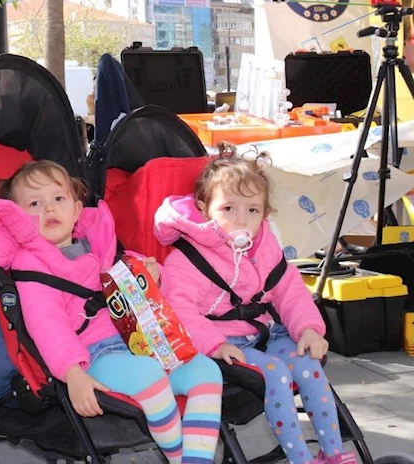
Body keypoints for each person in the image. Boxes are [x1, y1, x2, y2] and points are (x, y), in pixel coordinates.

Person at [0, 161, 223, 464]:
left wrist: (153, 274)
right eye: (34, 203)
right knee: (150, 375)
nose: (49, 209)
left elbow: (136, 274)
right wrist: (72, 373)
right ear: (17, 219)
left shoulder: (100, 243)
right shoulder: (32, 267)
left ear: (76, 209)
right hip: (92, 356)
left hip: (142, 341)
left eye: (57, 199)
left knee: (206, 372)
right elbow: (48, 326)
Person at [153, 146, 358, 464]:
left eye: (252, 210)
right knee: (275, 374)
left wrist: (308, 328)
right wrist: (214, 344)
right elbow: (178, 309)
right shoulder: (187, 259)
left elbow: (289, 290)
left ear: (265, 213)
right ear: (205, 209)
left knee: (308, 367)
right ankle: (300, 458)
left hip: (268, 332)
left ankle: (332, 453)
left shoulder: (265, 248)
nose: (241, 220)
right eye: (228, 209)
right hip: (226, 343)